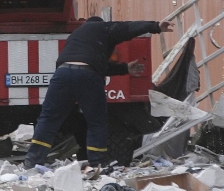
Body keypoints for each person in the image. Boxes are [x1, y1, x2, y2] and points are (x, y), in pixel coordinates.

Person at [24, 17, 172, 168]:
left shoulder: (76, 35)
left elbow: (95, 63)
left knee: (48, 119)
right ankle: (97, 163)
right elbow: (128, 28)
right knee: (96, 122)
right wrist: (155, 26)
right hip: (88, 76)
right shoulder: (104, 28)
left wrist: (125, 69)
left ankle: (32, 160)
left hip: (62, 74)